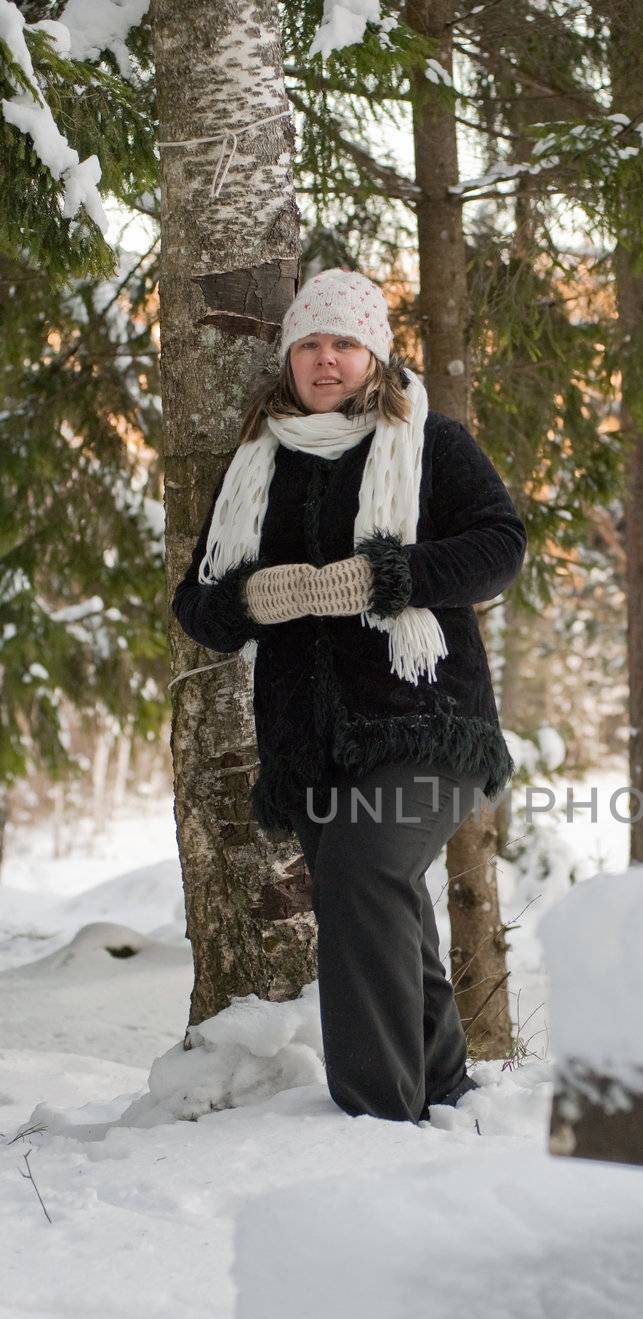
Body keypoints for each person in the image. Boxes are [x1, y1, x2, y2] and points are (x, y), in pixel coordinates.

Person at [171, 267, 527, 1125]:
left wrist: (388, 578)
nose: (325, 360)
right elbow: (200, 606)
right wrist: (251, 601)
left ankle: (376, 1116)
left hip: (430, 727)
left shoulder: (430, 443)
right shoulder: (257, 465)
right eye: (310, 344)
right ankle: (443, 1087)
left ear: (374, 356)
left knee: (366, 872)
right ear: (289, 356)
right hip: (310, 744)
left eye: (344, 344)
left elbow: (500, 547)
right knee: (380, 903)